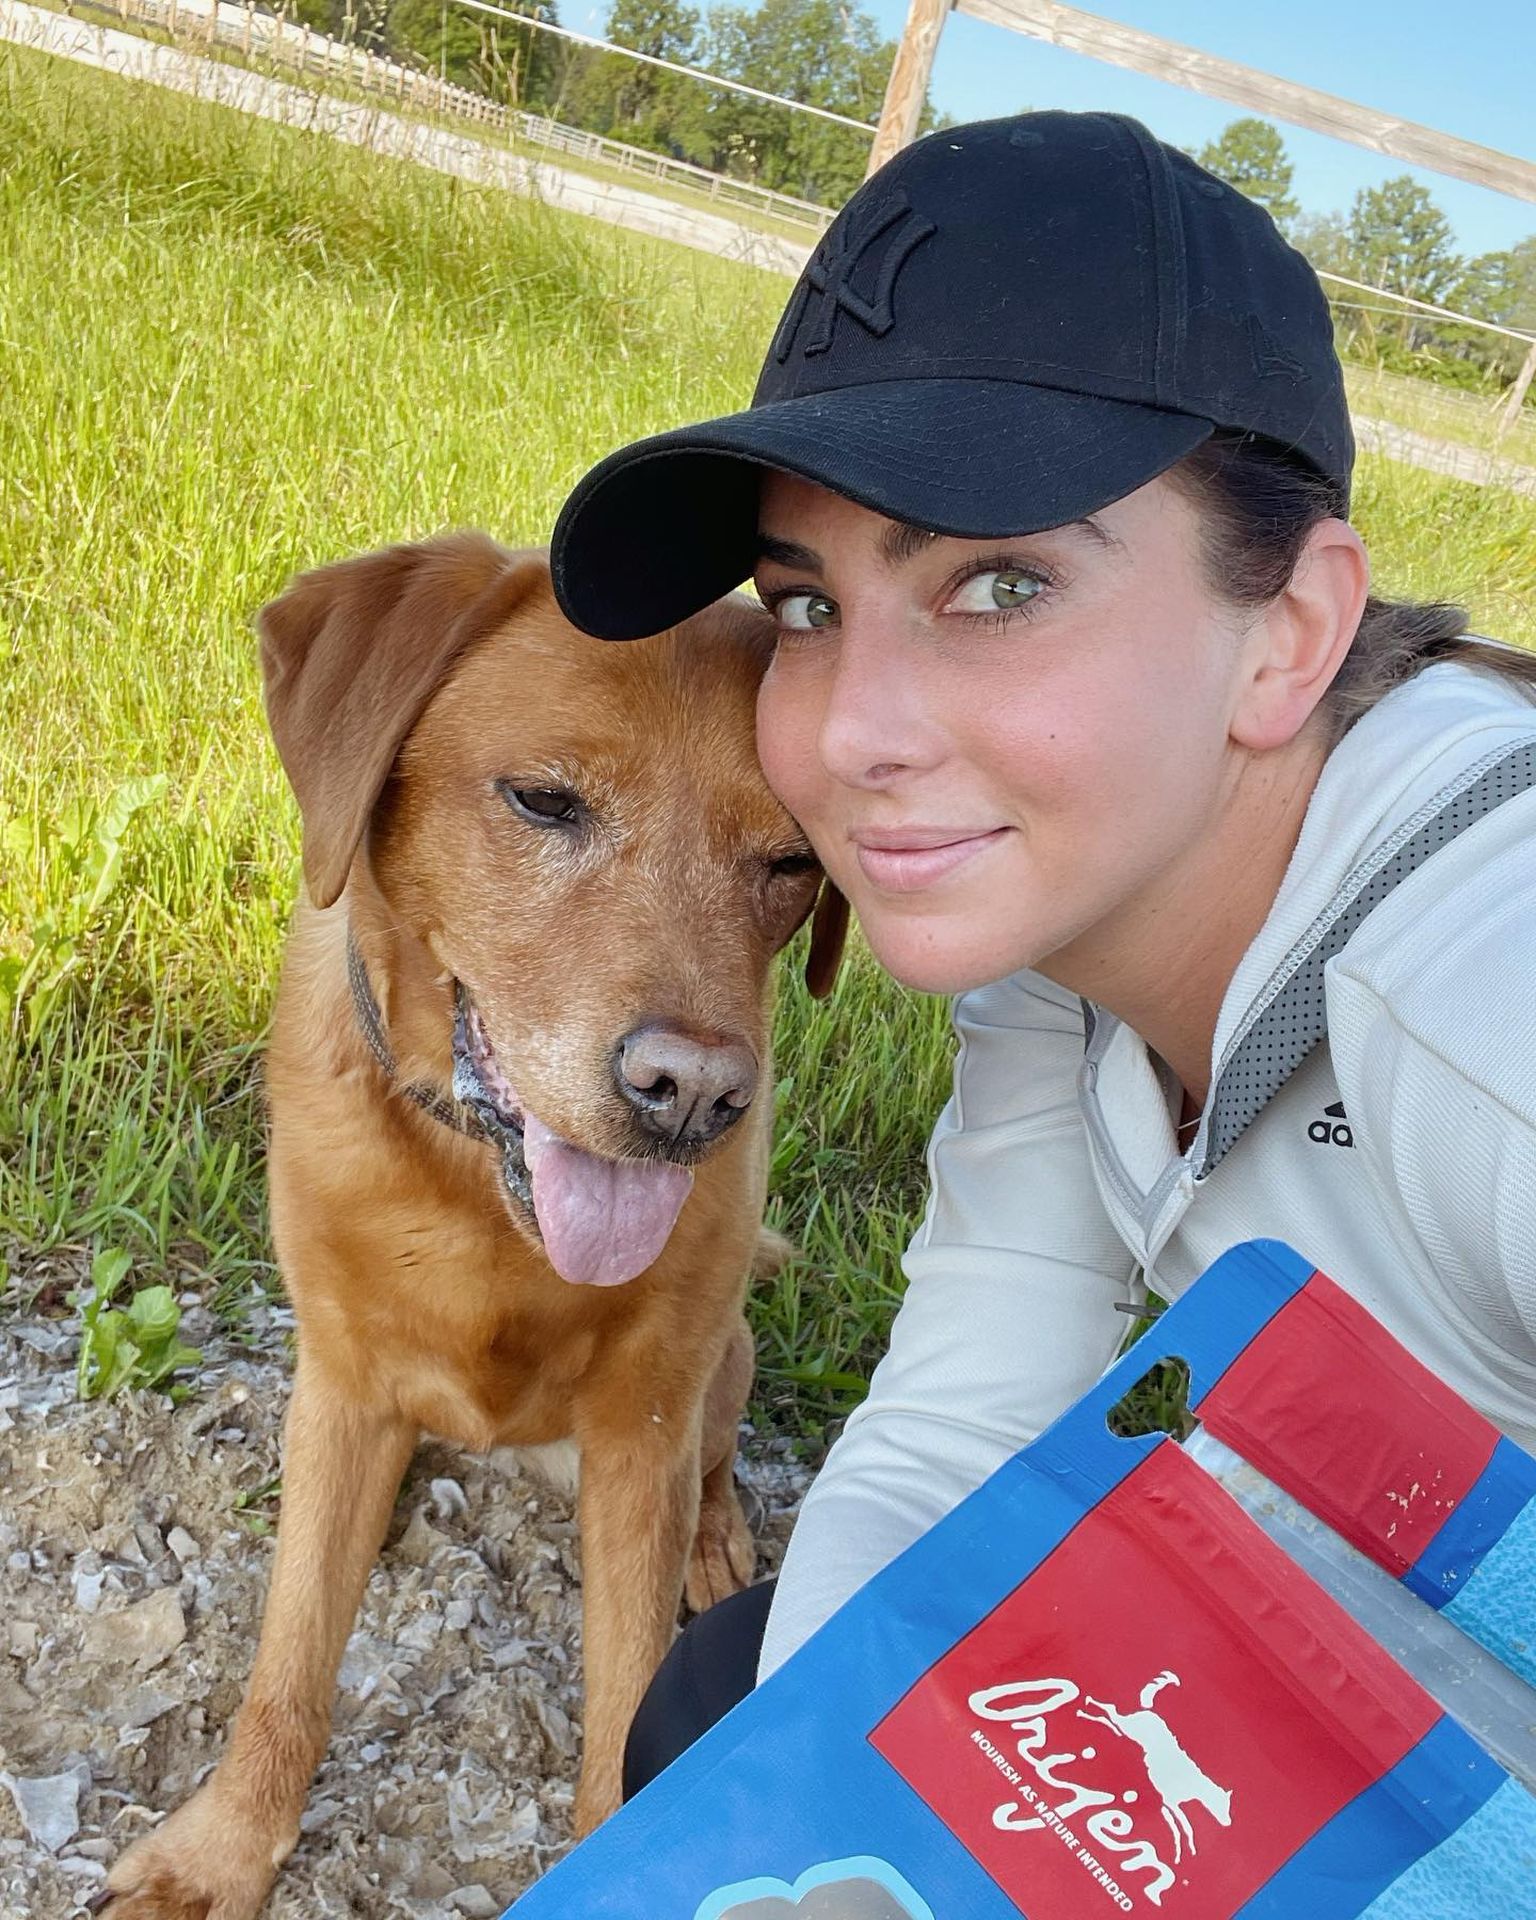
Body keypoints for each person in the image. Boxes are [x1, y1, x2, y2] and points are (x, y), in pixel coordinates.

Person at [547, 109, 1536, 1795]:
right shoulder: (1067, 930)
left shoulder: (1486, 1012)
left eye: (999, 589)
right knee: (736, 1709)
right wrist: (781, 1849)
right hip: (1383, 1639)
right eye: (806, 607)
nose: (850, 733)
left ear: (1290, 632)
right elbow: (958, 1423)